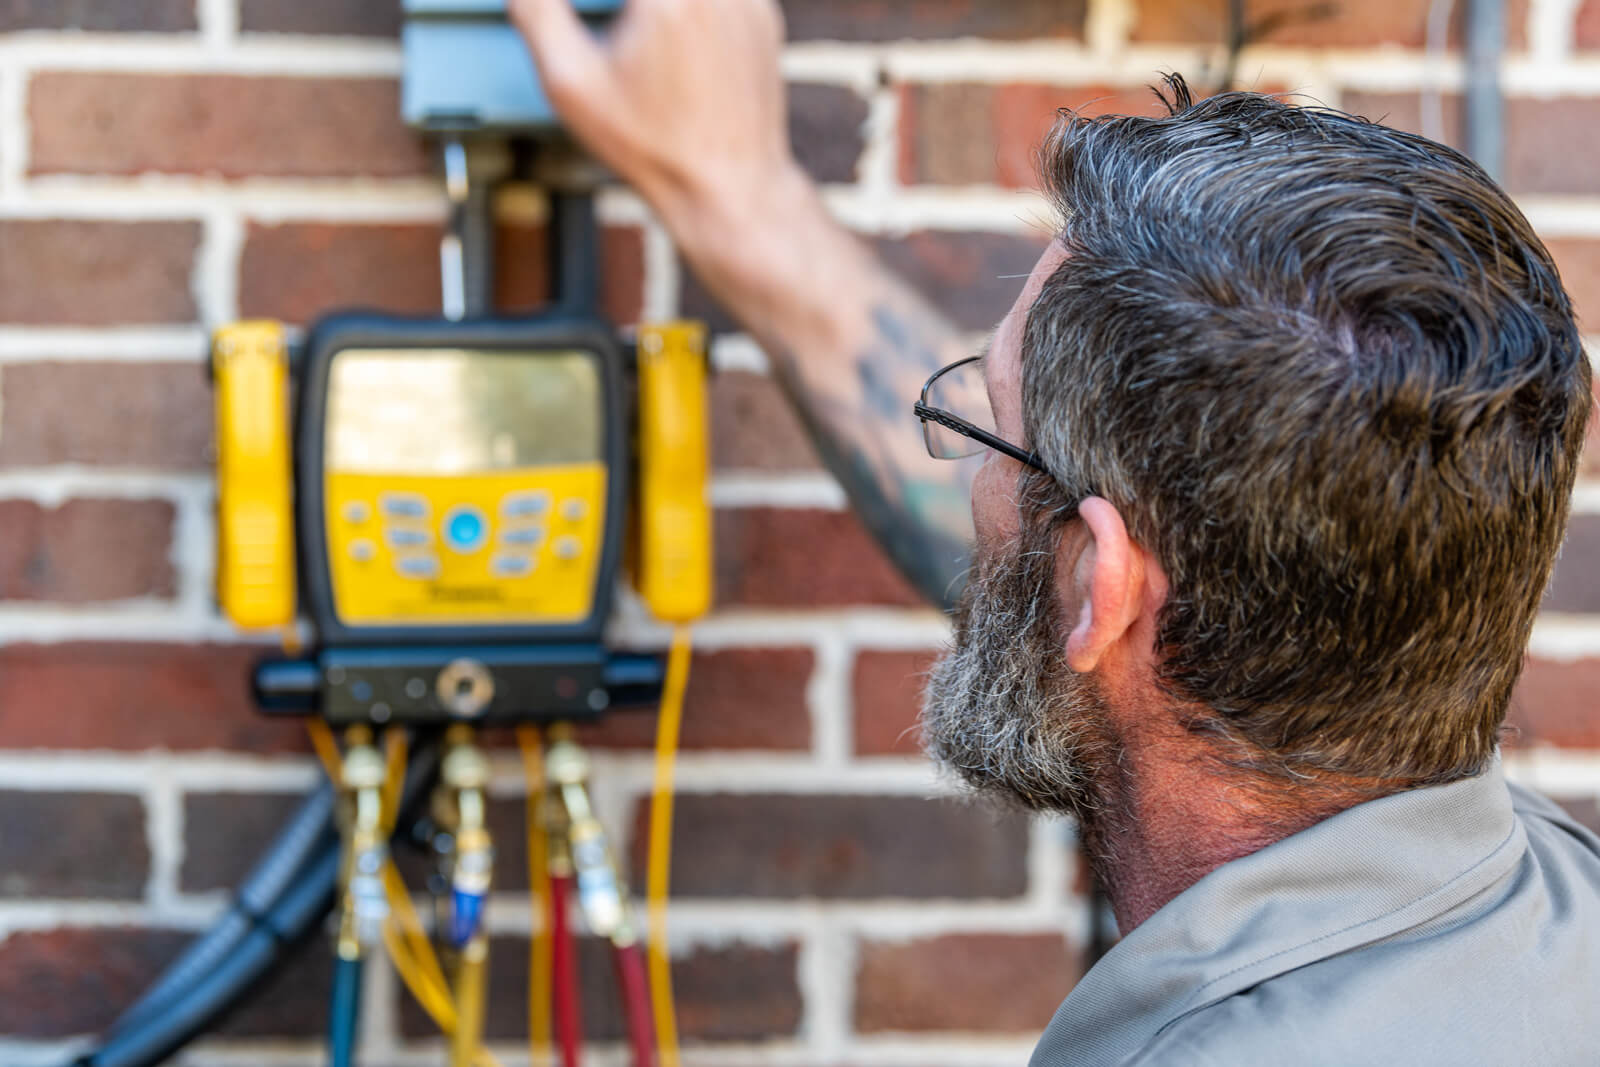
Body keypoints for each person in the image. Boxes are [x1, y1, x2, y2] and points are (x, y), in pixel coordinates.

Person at [510, 1, 1600, 1063]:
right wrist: (736, 196)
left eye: (987, 423)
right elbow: (1057, 536)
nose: (974, 482)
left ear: (1098, 585)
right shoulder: (1557, 908)